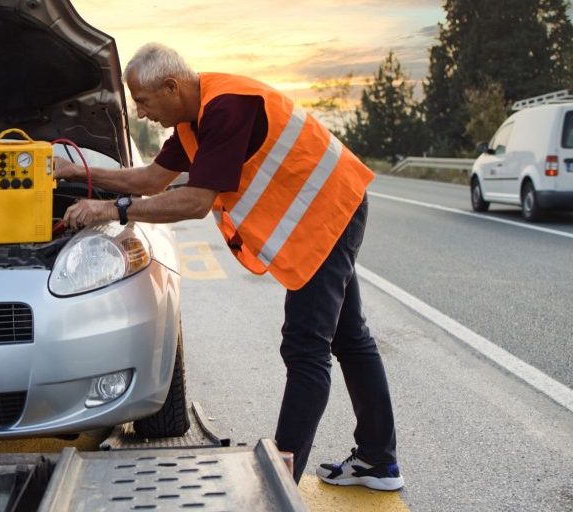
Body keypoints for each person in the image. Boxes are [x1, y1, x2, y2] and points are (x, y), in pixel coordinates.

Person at [58, 42, 403, 490]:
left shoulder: (227, 108)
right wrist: (74, 172)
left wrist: (111, 211)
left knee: (305, 345)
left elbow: (196, 202)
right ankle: (378, 460)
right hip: (324, 211)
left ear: (171, 85)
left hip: (329, 211)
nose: (139, 112)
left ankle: (280, 480)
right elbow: (149, 180)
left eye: (142, 100)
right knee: (350, 338)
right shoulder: (191, 121)